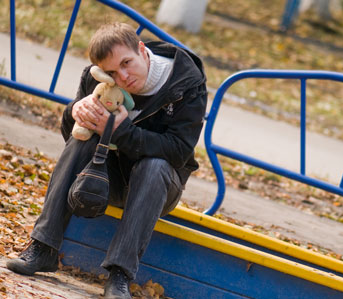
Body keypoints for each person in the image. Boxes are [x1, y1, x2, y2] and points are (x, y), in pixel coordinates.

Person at [6, 22, 207, 299]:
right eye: (112, 72)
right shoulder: (98, 78)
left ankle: (120, 276)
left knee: (155, 164)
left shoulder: (185, 83)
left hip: (159, 186)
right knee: (83, 137)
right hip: (104, 175)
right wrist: (74, 111)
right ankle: (43, 248)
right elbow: (73, 136)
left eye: (127, 63)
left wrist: (123, 132)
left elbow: (179, 151)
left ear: (141, 49)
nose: (123, 77)